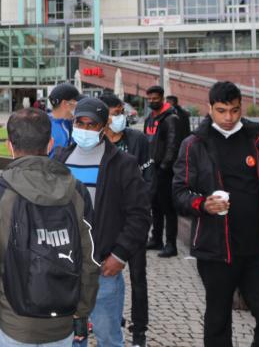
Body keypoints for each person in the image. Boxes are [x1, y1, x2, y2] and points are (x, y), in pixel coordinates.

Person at [0, 108, 99, 347]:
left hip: (12, 324)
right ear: (51, 143)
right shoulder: (78, 192)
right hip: (61, 322)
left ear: (9, 146)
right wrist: (81, 310)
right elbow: (91, 260)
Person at [173, 81, 259, 347]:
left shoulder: (257, 139)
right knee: (218, 319)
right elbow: (179, 193)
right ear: (210, 108)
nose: (228, 117)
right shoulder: (194, 144)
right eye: (222, 110)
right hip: (216, 249)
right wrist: (203, 204)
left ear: (241, 107)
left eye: (234, 110)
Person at [56, 97, 151, 347]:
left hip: (103, 269)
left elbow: (140, 215)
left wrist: (119, 254)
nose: (85, 129)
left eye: (92, 124)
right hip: (64, 268)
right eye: (80, 123)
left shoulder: (122, 164)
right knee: (68, 339)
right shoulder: (60, 159)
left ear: (103, 126)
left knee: (108, 337)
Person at [100, 93, 154, 347]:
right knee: (106, 276)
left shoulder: (137, 140)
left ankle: (139, 330)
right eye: (114, 113)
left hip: (134, 223)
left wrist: (138, 209)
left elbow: (150, 180)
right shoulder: (96, 143)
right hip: (107, 224)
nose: (120, 117)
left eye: (121, 112)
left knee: (138, 277)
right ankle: (111, 320)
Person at [143, 85, 181, 257]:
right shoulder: (149, 118)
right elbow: (146, 142)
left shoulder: (171, 118)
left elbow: (173, 145)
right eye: (149, 99)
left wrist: (165, 167)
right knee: (155, 206)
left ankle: (171, 244)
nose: (152, 101)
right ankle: (156, 239)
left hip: (165, 171)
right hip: (151, 168)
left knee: (168, 208)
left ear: (162, 98)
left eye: (155, 98)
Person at [48, 83, 81, 156]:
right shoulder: (50, 128)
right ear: (65, 103)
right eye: (76, 103)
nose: (78, 107)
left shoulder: (68, 122)